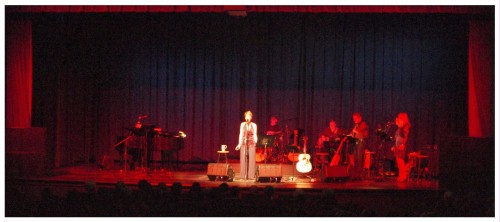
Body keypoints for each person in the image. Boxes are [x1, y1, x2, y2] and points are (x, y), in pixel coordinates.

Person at [235, 111, 258, 180]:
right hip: (244, 142)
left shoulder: (254, 125)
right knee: (243, 159)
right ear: (245, 117)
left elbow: (255, 134)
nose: (247, 117)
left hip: (252, 142)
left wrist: (256, 141)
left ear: (251, 117)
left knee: (252, 159)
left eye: (249, 116)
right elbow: (241, 134)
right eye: (246, 116)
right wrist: (239, 144)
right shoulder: (242, 124)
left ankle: (251, 175)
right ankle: (243, 175)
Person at [348, 112, 369, 181]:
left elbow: (364, 135)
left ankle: (359, 174)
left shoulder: (363, 124)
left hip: (361, 143)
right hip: (355, 143)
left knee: (359, 159)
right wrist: (350, 135)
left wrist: (356, 131)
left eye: (356, 118)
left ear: (360, 118)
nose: (354, 120)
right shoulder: (356, 125)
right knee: (355, 158)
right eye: (353, 119)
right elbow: (352, 133)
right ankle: (356, 174)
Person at [392, 112, 411, 182]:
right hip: (398, 145)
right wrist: (394, 146)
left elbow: (405, 136)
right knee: (398, 161)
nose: (398, 118)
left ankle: (404, 176)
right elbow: (397, 137)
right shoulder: (401, 127)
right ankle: (401, 175)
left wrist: (403, 144)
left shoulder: (406, 126)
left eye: (399, 117)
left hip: (401, 145)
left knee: (400, 160)